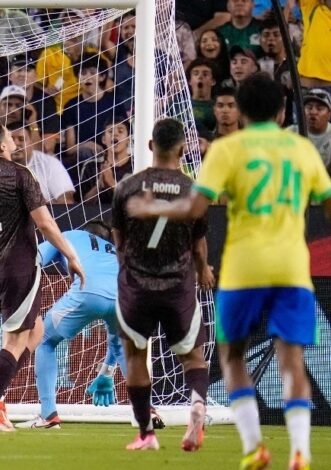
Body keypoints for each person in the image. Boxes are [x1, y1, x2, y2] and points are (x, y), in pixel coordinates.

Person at [128, 73, 331, 468]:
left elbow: (194, 209)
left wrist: (154, 207)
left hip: (243, 271)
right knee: (292, 360)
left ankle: (255, 446)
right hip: (292, 269)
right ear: (282, 110)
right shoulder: (302, 150)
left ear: (239, 109)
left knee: (232, 358)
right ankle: (301, 450)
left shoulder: (227, 150)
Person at [0, 117, 85, 432]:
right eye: (10, 135)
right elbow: (44, 223)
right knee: (15, 340)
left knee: (35, 331)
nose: (15, 139)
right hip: (20, 265)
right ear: (2, 145)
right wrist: (70, 254)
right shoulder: (20, 174)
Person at [111, 118, 215, 452]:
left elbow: (119, 241)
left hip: (137, 285)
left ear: (150, 146)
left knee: (136, 355)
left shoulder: (127, 186)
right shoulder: (193, 191)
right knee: (193, 356)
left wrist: (127, 270)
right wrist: (202, 272)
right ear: (183, 149)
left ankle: (146, 434)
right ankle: (197, 403)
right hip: (177, 285)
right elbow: (198, 246)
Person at [15, 222, 125, 430]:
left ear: (84, 231)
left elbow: (34, 261)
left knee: (44, 340)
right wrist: (106, 372)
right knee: (124, 345)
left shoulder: (67, 235)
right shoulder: (113, 250)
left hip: (87, 291)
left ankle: (48, 414)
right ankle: (147, 412)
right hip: (125, 297)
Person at [288, 89, 331, 171]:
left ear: (329, 114)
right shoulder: (290, 133)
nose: (313, 112)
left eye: (319, 109)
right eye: (309, 107)